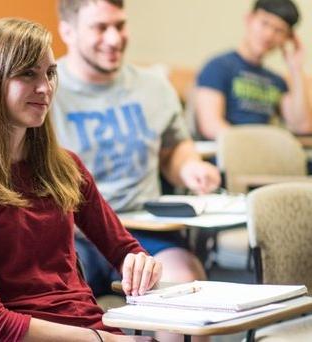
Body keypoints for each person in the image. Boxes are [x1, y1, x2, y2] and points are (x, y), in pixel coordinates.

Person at [0, 18, 159, 341]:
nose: (45, 87)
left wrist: (141, 264)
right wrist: (105, 340)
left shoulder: (65, 167)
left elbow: (125, 250)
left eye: (50, 73)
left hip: (91, 330)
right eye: (27, 74)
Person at [53, 1, 219, 340]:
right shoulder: (45, 90)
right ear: (67, 31)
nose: (114, 38)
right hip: (71, 236)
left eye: (120, 25)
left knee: (190, 296)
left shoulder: (153, 86)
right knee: (54, 308)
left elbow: (174, 149)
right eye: (100, 28)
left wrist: (190, 167)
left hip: (143, 231)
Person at [195, 0, 312, 140]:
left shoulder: (277, 81)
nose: (269, 35)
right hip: (231, 152)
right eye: (265, 23)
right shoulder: (218, 67)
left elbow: (303, 127)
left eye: (279, 30)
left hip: (266, 154)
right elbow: (211, 125)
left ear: (287, 38)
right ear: (249, 19)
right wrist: (253, 148)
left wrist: (296, 69)